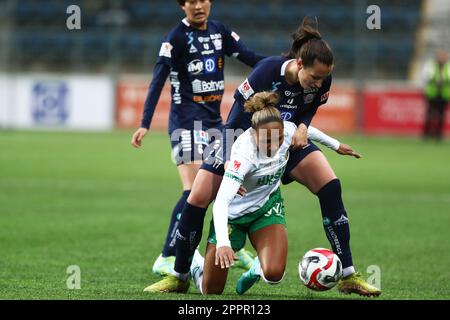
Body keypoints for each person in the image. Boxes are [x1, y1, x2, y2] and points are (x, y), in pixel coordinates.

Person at [145, 17, 381, 297]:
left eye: (323, 79)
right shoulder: (267, 70)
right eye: (314, 78)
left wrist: (304, 127)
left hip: (286, 140)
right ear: (299, 64)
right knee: (197, 197)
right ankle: (180, 275)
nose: (319, 84)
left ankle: (348, 275)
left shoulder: (321, 77)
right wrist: (233, 164)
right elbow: (235, 116)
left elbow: (310, 107)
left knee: (331, 185)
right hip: (243, 139)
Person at [131, 0, 265, 276]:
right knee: (194, 192)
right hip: (185, 124)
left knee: (224, 186)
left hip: (216, 124)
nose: (198, 6)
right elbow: (158, 79)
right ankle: (167, 256)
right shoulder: (175, 38)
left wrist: (282, 66)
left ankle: (234, 245)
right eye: (191, 1)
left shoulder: (220, 31)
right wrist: (145, 122)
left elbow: (251, 58)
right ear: (183, 6)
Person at [188, 92, 345, 295]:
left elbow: (309, 131)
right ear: (254, 134)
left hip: (266, 208)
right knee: (211, 291)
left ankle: (257, 267)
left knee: (274, 275)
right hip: (232, 218)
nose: (273, 145)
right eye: (266, 140)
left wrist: (337, 145)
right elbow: (220, 203)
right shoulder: (243, 154)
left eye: (278, 138)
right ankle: (196, 265)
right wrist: (224, 245)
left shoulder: (287, 130)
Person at [422, 49, 450, 140]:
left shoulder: (448, 66)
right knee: (430, 115)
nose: (442, 58)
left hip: (444, 94)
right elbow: (425, 77)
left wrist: (444, 82)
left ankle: (438, 135)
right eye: (440, 55)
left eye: (444, 56)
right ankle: (427, 134)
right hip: (432, 93)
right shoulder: (430, 65)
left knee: (442, 115)